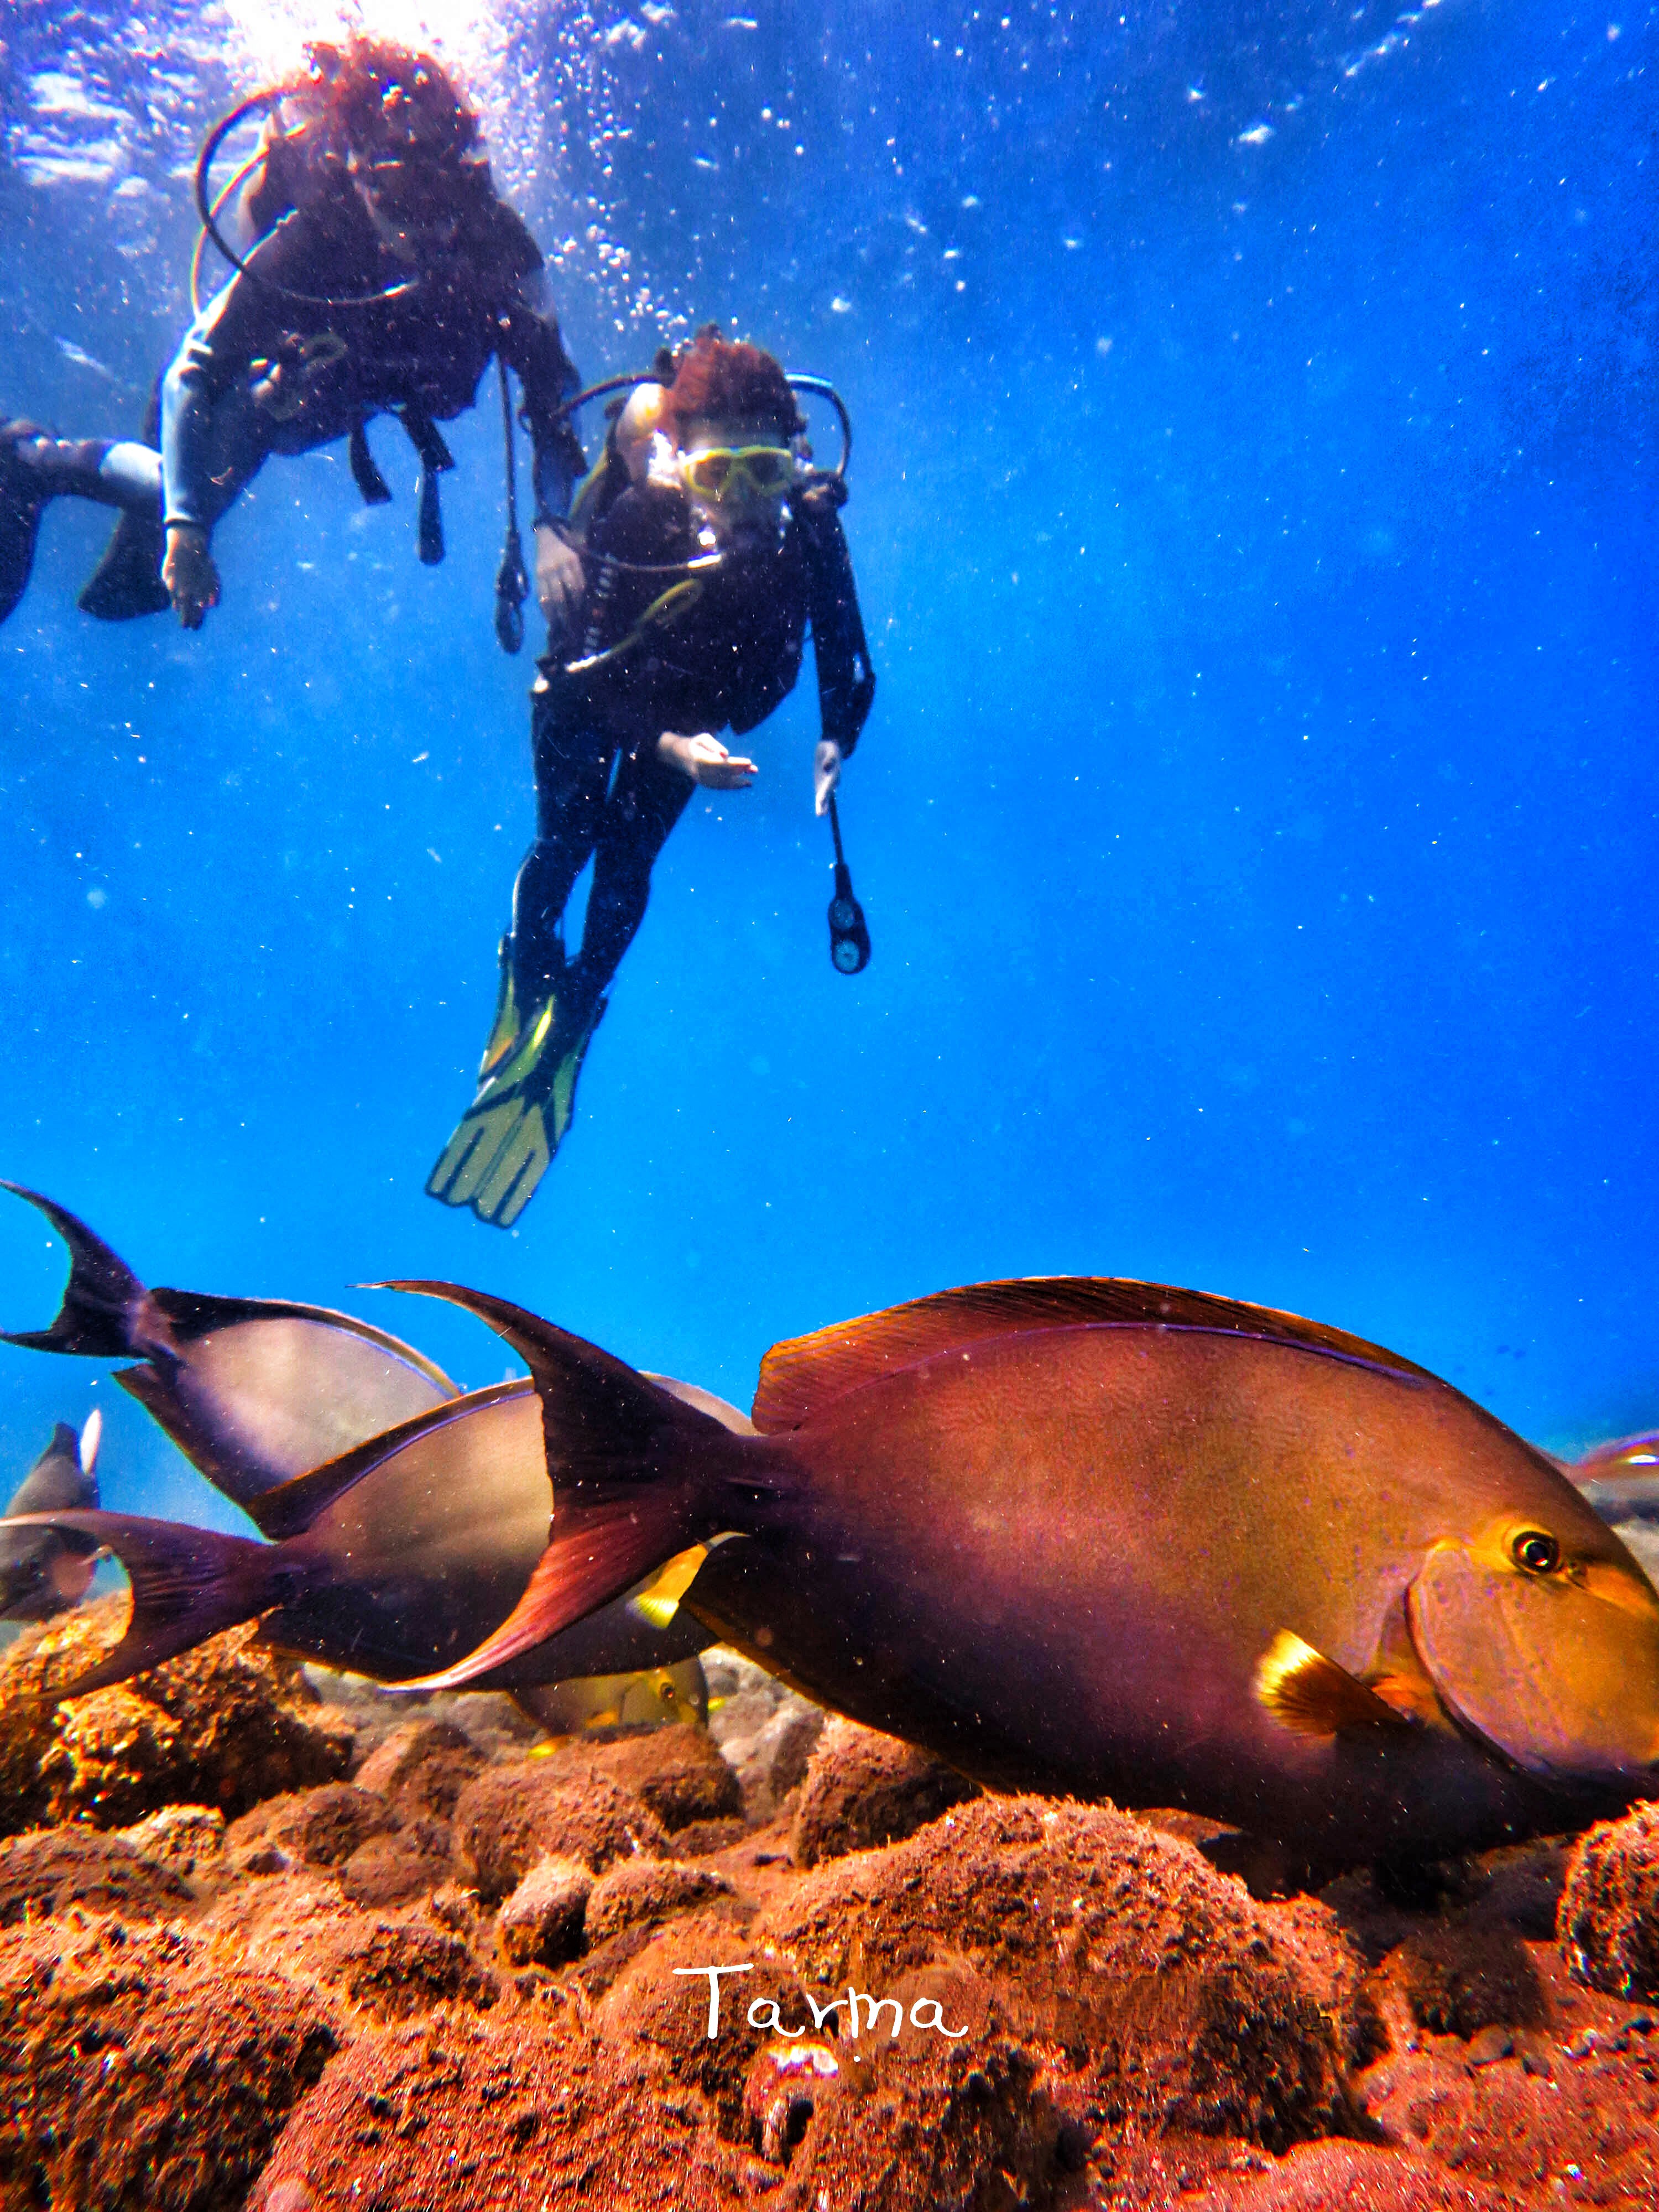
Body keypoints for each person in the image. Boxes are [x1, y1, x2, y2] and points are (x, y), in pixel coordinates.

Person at [428, 325, 877, 1229]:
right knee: (568, 844)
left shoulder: (813, 530)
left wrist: (838, 739)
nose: (746, 507)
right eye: (721, 477)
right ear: (680, 462)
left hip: (690, 715)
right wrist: (672, 746)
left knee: (629, 863)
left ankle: (570, 1024)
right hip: (592, 703)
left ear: (796, 459)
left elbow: (849, 656)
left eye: (765, 474)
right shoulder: (638, 521)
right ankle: (531, 976)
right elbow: (591, 677)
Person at [0, 36, 585, 631]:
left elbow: (556, 393)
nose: (425, 221)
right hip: (270, 397)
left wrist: (554, 525)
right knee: (175, 499)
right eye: (400, 189)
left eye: (440, 188)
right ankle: (29, 458)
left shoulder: (499, 250)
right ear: (356, 174)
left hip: (341, 399)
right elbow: (193, 367)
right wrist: (184, 531)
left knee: (176, 512)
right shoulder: (315, 237)